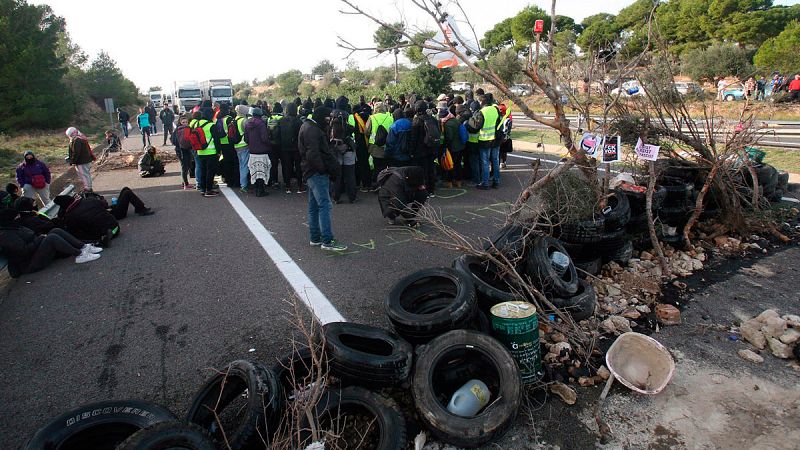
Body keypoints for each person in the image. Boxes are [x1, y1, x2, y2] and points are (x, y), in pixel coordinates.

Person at [0, 209, 101, 278]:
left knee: (55, 230)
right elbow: (24, 252)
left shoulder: (14, 227)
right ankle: (80, 254)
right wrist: (40, 239)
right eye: (17, 217)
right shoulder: (7, 236)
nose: (19, 218)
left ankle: (83, 247)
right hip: (28, 264)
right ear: (9, 220)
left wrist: (39, 237)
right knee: (51, 238)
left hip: (34, 254)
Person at [298, 106, 347, 251]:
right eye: (328, 117)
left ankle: (315, 238)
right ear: (321, 116)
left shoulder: (307, 126)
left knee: (314, 206)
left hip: (309, 171)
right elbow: (313, 154)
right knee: (325, 205)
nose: (329, 120)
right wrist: (323, 169)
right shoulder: (313, 130)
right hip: (316, 173)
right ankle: (327, 240)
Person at [468, 94, 502, 189]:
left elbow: (476, 126)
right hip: (495, 139)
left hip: (485, 139)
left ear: (482, 102)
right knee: (495, 161)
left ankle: (485, 183)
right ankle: (496, 181)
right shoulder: (495, 109)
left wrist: (471, 120)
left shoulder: (482, 112)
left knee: (485, 162)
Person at [410, 100, 440, 197]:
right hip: (432, 148)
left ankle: (424, 191)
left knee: (422, 171)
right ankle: (431, 190)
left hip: (420, 150)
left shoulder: (417, 121)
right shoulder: (433, 119)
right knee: (431, 169)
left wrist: (411, 151)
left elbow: (413, 138)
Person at [274, 102, 304, 194]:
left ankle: (288, 186)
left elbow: (277, 135)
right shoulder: (299, 121)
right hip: (297, 147)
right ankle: (300, 186)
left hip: (284, 147)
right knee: (298, 166)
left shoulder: (281, 121)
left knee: (286, 166)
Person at [364, 102, 394, 190]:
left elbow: (366, 131)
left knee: (377, 167)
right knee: (386, 166)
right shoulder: (390, 117)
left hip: (375, 147)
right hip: (387, 145)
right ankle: (386, 185)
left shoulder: (372, 117)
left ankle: (377, 184)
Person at [193, 107, 222, 197]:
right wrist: (219, 151)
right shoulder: (211, 125)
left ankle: (202, 189)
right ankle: (208, 190)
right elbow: (216, 140)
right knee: (210, 172)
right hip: (211, 152)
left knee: (203, 171)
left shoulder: (197, 123)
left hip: (200, 151)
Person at [244, 107, 271, 197]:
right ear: (260, 115)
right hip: (262, 152)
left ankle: (256, 189)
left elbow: (246, 139)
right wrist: (269, 144)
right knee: (262, 171)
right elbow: (264, 138)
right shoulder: (261, 124)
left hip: (252, 152)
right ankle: (261, 190)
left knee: (254, 171)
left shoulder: (247, 124)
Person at [215, 103, 239, 188]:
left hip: (222, 143)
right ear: (227, 110)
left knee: (226, 161)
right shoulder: (229, 119)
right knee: (232, 162)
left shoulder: (218, 119)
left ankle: (227, 179)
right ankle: (232, 180)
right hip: (229, 142)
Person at [440, 104, 464, 188]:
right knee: (458, 164)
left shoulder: (447, 124)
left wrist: (444, 145)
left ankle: (449, 182)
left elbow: (449, 137)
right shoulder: (456, 120)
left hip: (452, 148)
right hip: (460, 146)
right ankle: (458, 181)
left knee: (450, 165)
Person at [66, 127, 94, 192]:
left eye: (70, 135)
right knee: (86, 174)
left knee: (83, 175)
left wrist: (73, 161)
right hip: (85, 160)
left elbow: (76, 152)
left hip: (81, 162)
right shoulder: (81, 138)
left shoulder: (77, 140)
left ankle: (88, 188)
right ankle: (89, 187)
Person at [172, 114, 195, 189]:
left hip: (180, 150)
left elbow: (173, 141)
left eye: (186, 122)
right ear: (180, 122)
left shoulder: (177, 130)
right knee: (185, 167)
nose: (185, 123)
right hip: (185, 150)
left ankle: (184, 183)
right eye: (183, 122)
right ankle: (186, 184)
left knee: (185, 166)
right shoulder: (189, 129)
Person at [232, 105, 251, 193]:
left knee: (241, 165)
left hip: (237, 145)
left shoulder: (234, 120)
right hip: (244, 145)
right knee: (244, 166)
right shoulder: (244, 121)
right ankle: (244, 185)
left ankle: (242, 183)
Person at [267, 103, 284, 190]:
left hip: (271, 144)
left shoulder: (269, 118)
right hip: (281, 144)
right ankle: (286, 181)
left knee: (273, 164)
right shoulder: (282, 118)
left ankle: (274, 181)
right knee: (284, 163)